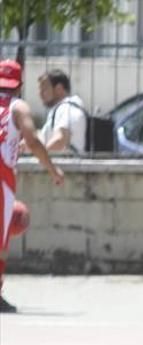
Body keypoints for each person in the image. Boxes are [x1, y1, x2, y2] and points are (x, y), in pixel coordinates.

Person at [0, 60, 65, 313]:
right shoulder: (18, 108)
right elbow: (34, 140)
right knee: (1, 242)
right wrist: (53, 169)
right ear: (19, 86)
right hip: (2, 178)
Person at [37, 69, 87, 154]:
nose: (40, 93)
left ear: (59, 89)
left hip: (67, 166)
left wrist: (40, 159)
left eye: (44, 89)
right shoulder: (59, 109)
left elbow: (60, 140)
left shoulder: (68, 108)